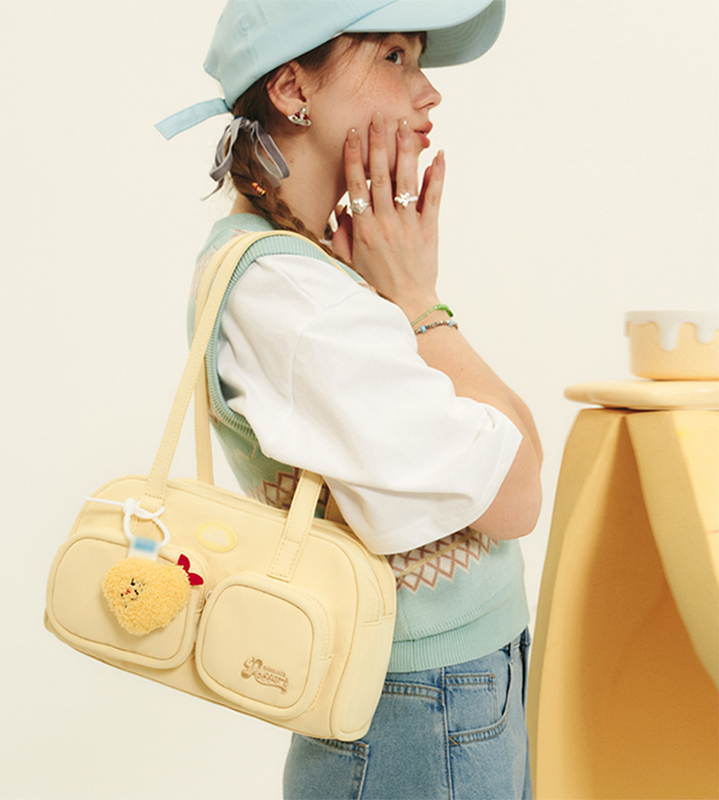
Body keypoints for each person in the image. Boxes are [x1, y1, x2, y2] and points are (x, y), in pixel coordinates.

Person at [156, 1, 543, 797]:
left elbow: (513, 459)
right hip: (419, 710)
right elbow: (517, 495)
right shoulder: (292, 298)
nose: (428, 91)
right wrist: (420, 302)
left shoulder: (312, 273)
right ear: (293, 89)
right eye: (394, 57)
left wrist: (399, 293)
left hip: (444, 694)